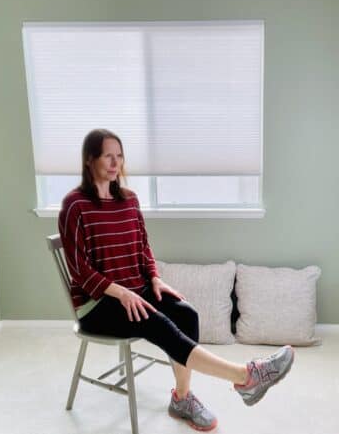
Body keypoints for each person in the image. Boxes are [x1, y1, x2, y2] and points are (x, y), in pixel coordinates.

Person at [58, 128, 294, 432]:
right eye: (108, 156)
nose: (116, 163)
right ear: (90, 160)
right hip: (97, 305)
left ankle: (182, 399)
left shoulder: (129, 201)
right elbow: (80, 270)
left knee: (186, 313)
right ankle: (246, 376)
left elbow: (142, 248)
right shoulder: (75, 205)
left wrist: (154, 279)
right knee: (157, 321)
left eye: (120, 156)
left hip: (136, 290)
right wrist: (122, 294)